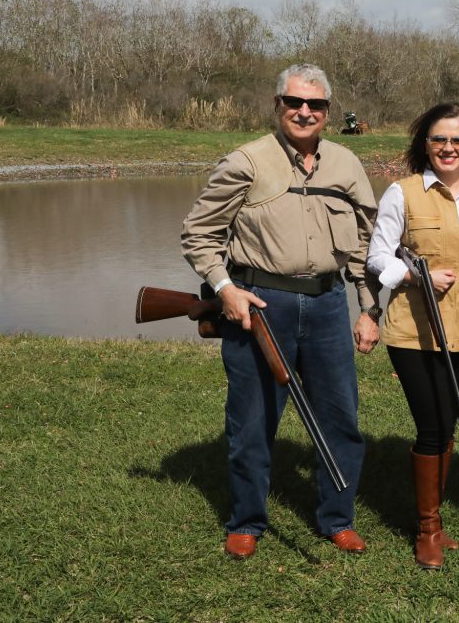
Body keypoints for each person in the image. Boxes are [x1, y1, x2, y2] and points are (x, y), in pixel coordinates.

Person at [181, 63, 381, 560]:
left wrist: (368, 308)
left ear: (328, 112)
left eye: (314, 105)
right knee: (252, 422)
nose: (304, 112)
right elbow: (198, 234)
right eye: (294, 102)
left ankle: (338, 519)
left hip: (330, 305)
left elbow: (364, 244)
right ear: (277, 106)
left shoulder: (346, 165)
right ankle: (247, 519)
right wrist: (225, 289)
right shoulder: (246, 161)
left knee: (341, 421)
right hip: (260, 307)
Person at [367, 102, 459, 570]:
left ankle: (437, 523)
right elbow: (377, 258)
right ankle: (426, 529)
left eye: (458, 140)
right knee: (432, 425)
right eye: (439, 140)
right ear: (425, 144)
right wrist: (415, 277)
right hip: (412, 332)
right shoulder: (402, 194)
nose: (448, 148)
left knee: (448, 426)